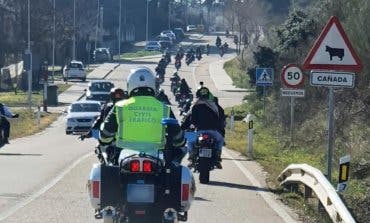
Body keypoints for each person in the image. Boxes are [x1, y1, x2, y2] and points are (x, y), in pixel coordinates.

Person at [99, 67, 185, 162]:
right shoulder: (164, 108)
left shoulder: (119, 107)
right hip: (156, 156)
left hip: (124, 155)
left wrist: (104, 139)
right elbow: (178, 138)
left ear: (130, 85)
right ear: (152, 85)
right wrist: (179, 143)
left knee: (106, 168)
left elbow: (105, 135)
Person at [181, 84, 224, 169]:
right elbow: (221, 119)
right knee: (220, 140)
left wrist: (182, 128)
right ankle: (217, 156)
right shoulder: (215, 106)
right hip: (213, 131)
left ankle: (192, 157)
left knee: (190, 141)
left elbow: (191, 120)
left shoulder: (195, 106)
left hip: (199, 131)